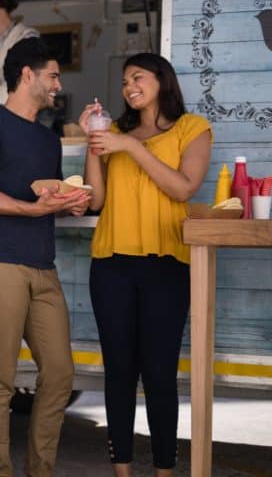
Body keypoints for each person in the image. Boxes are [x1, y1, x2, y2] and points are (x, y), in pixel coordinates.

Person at [0, 38, 91, 477]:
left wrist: (64, 202)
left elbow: (43, 193)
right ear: (28, 75)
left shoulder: (47, 138)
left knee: (59, 374)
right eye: (53, 75)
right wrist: (32, 208)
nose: (58, 84)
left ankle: (41, 471)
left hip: (42, 267)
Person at [79, 53, 212, 477]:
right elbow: (95, 201)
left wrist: (130, 147)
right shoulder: (114, 133)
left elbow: (183, 187)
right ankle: (122, 471)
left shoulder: (192, 129)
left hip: (166, 266)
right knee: (119, 372)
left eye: (137, 77)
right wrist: (93, 144)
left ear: (161, 80)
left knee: (158, 373)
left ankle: (164, 471)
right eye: (123, 81)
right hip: (111, 265)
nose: (128, 86)